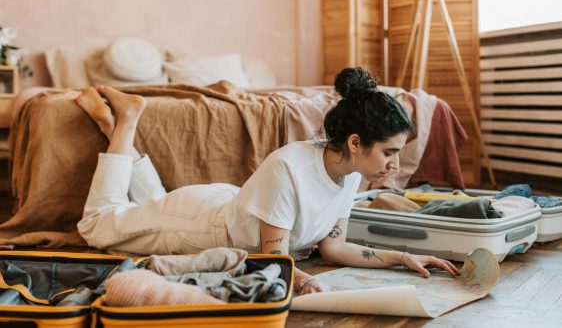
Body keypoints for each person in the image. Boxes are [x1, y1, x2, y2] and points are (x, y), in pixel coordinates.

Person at [76, 67, 458, 295]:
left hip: (228, 208)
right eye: (389, 152)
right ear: (356, 142)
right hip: (202, 227)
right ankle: (127, 120)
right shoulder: (290, 166)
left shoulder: (349, 173)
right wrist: (306, 283)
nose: (396, 165)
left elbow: (334, 248)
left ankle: (114, 126)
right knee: (98, 226)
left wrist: (403, 258)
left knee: (148, 203)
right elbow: (270, 256)